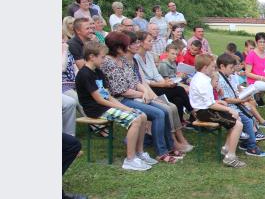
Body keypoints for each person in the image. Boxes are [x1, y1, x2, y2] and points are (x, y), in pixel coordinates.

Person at [101, 31, 179, 163]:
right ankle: (161, 152)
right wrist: (143, 94)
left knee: (165, 110)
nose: (129, 47)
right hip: (121, 100)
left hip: (133, 96)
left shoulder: (123, 60)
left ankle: (169, 146)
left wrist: (145, 91)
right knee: (158, 114)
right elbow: (121, 91)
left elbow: (135, 81)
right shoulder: (109, 63)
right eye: (126, 45)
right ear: (118, 47)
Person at [74, 41, 151, 171]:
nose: (104, 60)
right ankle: (130, 159)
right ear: (92, 57)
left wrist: (124, 107)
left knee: (142, 115)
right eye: (102, 57)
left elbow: (108, 96)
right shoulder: (84, 74)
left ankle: (139, 153)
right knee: (135, 119)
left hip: (105, 106)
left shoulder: (98, 72)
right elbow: (100, 100)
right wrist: (125, 108)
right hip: (95, 110)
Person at [189, 54, 247, 168]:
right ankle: (230, 157)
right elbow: (210, 104)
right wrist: (229, 108)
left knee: (237, 118)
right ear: (205, 68)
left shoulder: (201, 77)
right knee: (238, 124)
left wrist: (218, 102)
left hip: (206, 109)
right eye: (212, 67)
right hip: (204, 113)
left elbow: (208, 100)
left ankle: (226, 148)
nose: (214, 69)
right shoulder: (203, 81)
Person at [134, 31, 194, 126]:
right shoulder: (135, 58)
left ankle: (179, 122)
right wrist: (162, 84)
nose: (152, 43)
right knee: (180, 89)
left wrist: (166, 82)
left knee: (178, 98)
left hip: (157, 85)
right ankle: (193, 112)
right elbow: (142, 80)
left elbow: (156, 74)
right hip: (148, 89)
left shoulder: (149, 55)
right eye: (149, 41)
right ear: (141, 43)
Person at [216, 53, 265, 157]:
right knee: (248, 121)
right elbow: (226, 99)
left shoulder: (226, 76)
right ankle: (251, 147)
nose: (233, 70)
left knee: (250, 117)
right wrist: (241, 100)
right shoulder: (220, 79)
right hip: (228, 107)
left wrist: (242, 98)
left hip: (234, 105)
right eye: (231, 67)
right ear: (222, 66)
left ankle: (246, 142)